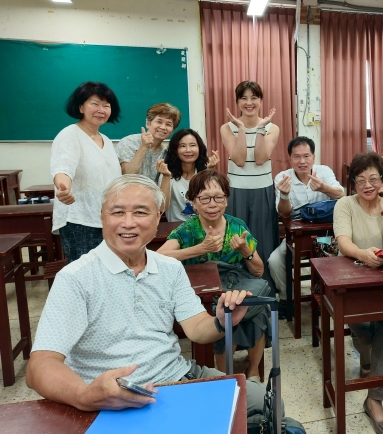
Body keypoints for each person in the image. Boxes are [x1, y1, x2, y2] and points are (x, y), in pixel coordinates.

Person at [26, 175, 268, 417]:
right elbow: (39, 366)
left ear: (157, 218)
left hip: (176, 379)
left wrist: (222, 320)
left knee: (265, 401)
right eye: (117, 212)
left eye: (140, 212)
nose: (128, 223)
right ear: (102, 217)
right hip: (110, 398)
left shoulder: (170, 268)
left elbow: (196, 327)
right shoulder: (76, 278)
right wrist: (85, 395)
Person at [158, 169, 270, 382]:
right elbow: (159, 257)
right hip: (204, 295)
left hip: (236, 286)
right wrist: (200, 249)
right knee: (226, 310)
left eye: (219, 197)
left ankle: (253, 371)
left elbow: (258, 271)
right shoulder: (187, 230)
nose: (212, 204)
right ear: (193, 202)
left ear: (226, 200)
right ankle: (227, 374)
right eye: (205, 198)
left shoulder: (237, 226)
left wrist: (245, 250)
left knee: (255, 309)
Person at [333, 152, 383, 434]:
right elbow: (344, 243)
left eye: (373, 179)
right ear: (353, 183)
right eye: (360, 180)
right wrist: (363, 255)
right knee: (361, 329)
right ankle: (366, 359)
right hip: (351, 281)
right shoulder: (345, 204)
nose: (367, 185)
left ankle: (374, 399)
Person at [268, 136, 344, 317]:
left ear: (313, 157)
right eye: (297, 157)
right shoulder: (282, 177)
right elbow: (284, 213)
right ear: (290, 158)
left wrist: (323, 188)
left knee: (338, 258)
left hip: (327, 235)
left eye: (306, 156)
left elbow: (341, 194)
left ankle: (327, 298)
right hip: (297, 236)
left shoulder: (324, 171)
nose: (302, 161)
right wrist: (284, 195)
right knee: (274, 260)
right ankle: (287, 298)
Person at [51, 81, 122, 263]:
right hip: (80, 221)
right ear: (81, 107)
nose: (101, 110)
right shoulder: (70, 135)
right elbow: (63, 169)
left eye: (106, 105)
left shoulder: (106, 140)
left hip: (106, 219)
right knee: (86, 273)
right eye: (95, 104)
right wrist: (64, 188)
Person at [220, 81, 280, 289]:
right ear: (237, 102)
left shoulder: (272, 128)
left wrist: (260, 129)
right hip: (236, 191)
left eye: (254, 98)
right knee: (236, 240)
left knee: (263, 239)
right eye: (244, 98)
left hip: (263, 190)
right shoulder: (227, 128)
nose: (249, 102)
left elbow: (261, 158)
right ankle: (236, 287)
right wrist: (242, 129)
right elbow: (239, 159)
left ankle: (265, 289)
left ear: (261, 101)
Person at [160, 129, 219, 222]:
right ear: (175, 150)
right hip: (177, 227)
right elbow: (162, 208)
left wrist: (210, 171)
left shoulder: (205, 171)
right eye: (182, 146)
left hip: (203, 225)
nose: (188, 150)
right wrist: (166, 177)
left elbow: (211, 203)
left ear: (199, 148)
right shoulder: (167, 174)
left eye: (192, 145)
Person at [116, 103, 181, 182]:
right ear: (148, 124)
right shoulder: (129, 142)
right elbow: (127, 176)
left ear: (172, 131)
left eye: (168, 124)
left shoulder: (166, 154)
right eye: (159, 122)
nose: (163, 127)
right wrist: (144, 146)